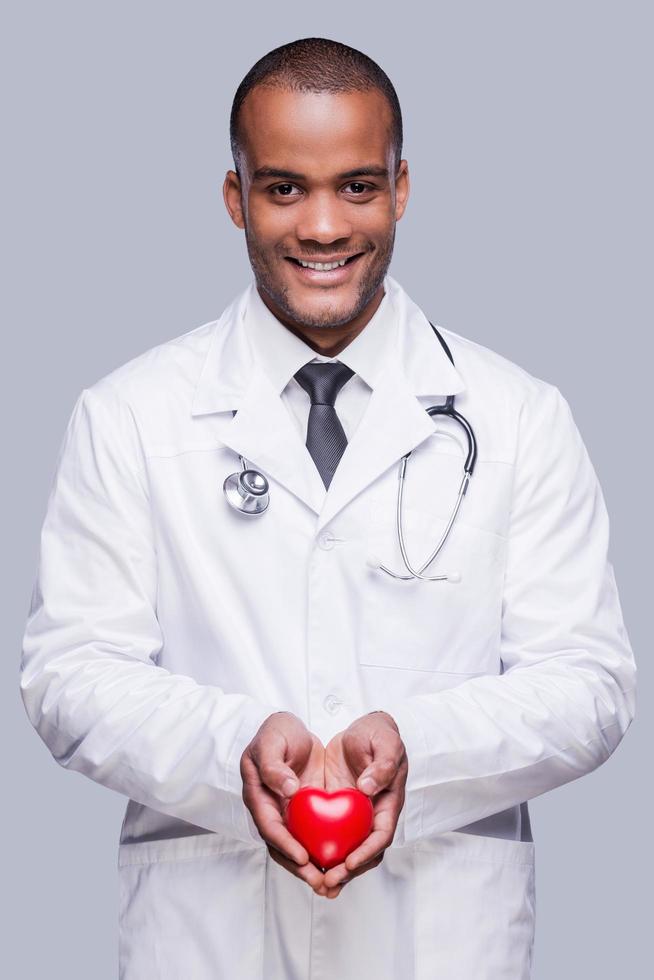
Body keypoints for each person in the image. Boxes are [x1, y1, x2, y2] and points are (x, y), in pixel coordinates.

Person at [19, 36, 636, 980]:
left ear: (402, 188)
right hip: (206, 939)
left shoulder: (520, 416)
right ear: (235, 199)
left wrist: (418, 749)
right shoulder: (129, 416)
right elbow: (68, 678)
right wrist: (235, 750)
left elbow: (590, 686)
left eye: (356, 186)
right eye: (282, 188)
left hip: (441, 938)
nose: (321, 227)